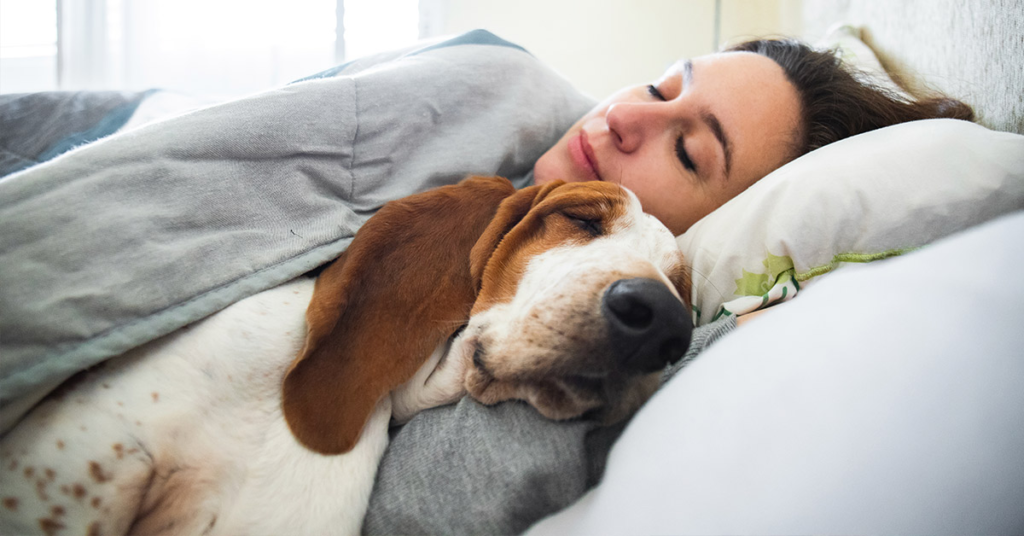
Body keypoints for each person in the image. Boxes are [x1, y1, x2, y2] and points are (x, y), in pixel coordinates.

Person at [363, 38, 975, 535]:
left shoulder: (661, 318)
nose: (622, 116)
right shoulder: (486, 109)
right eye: (659, 88)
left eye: (686, 152)